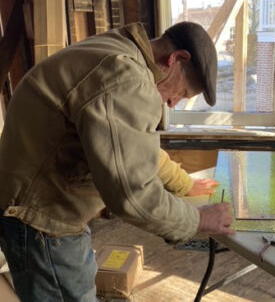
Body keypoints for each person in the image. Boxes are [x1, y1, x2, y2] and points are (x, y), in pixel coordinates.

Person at [0, 21, 235, 301]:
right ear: (177, 59)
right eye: (183, 93)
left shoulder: (117, 51)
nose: (173, 103)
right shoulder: (127, 78)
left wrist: (184, 183)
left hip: (39, 211)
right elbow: (134, 195)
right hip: (42, 223)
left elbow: (129, 146)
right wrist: (198, 219)